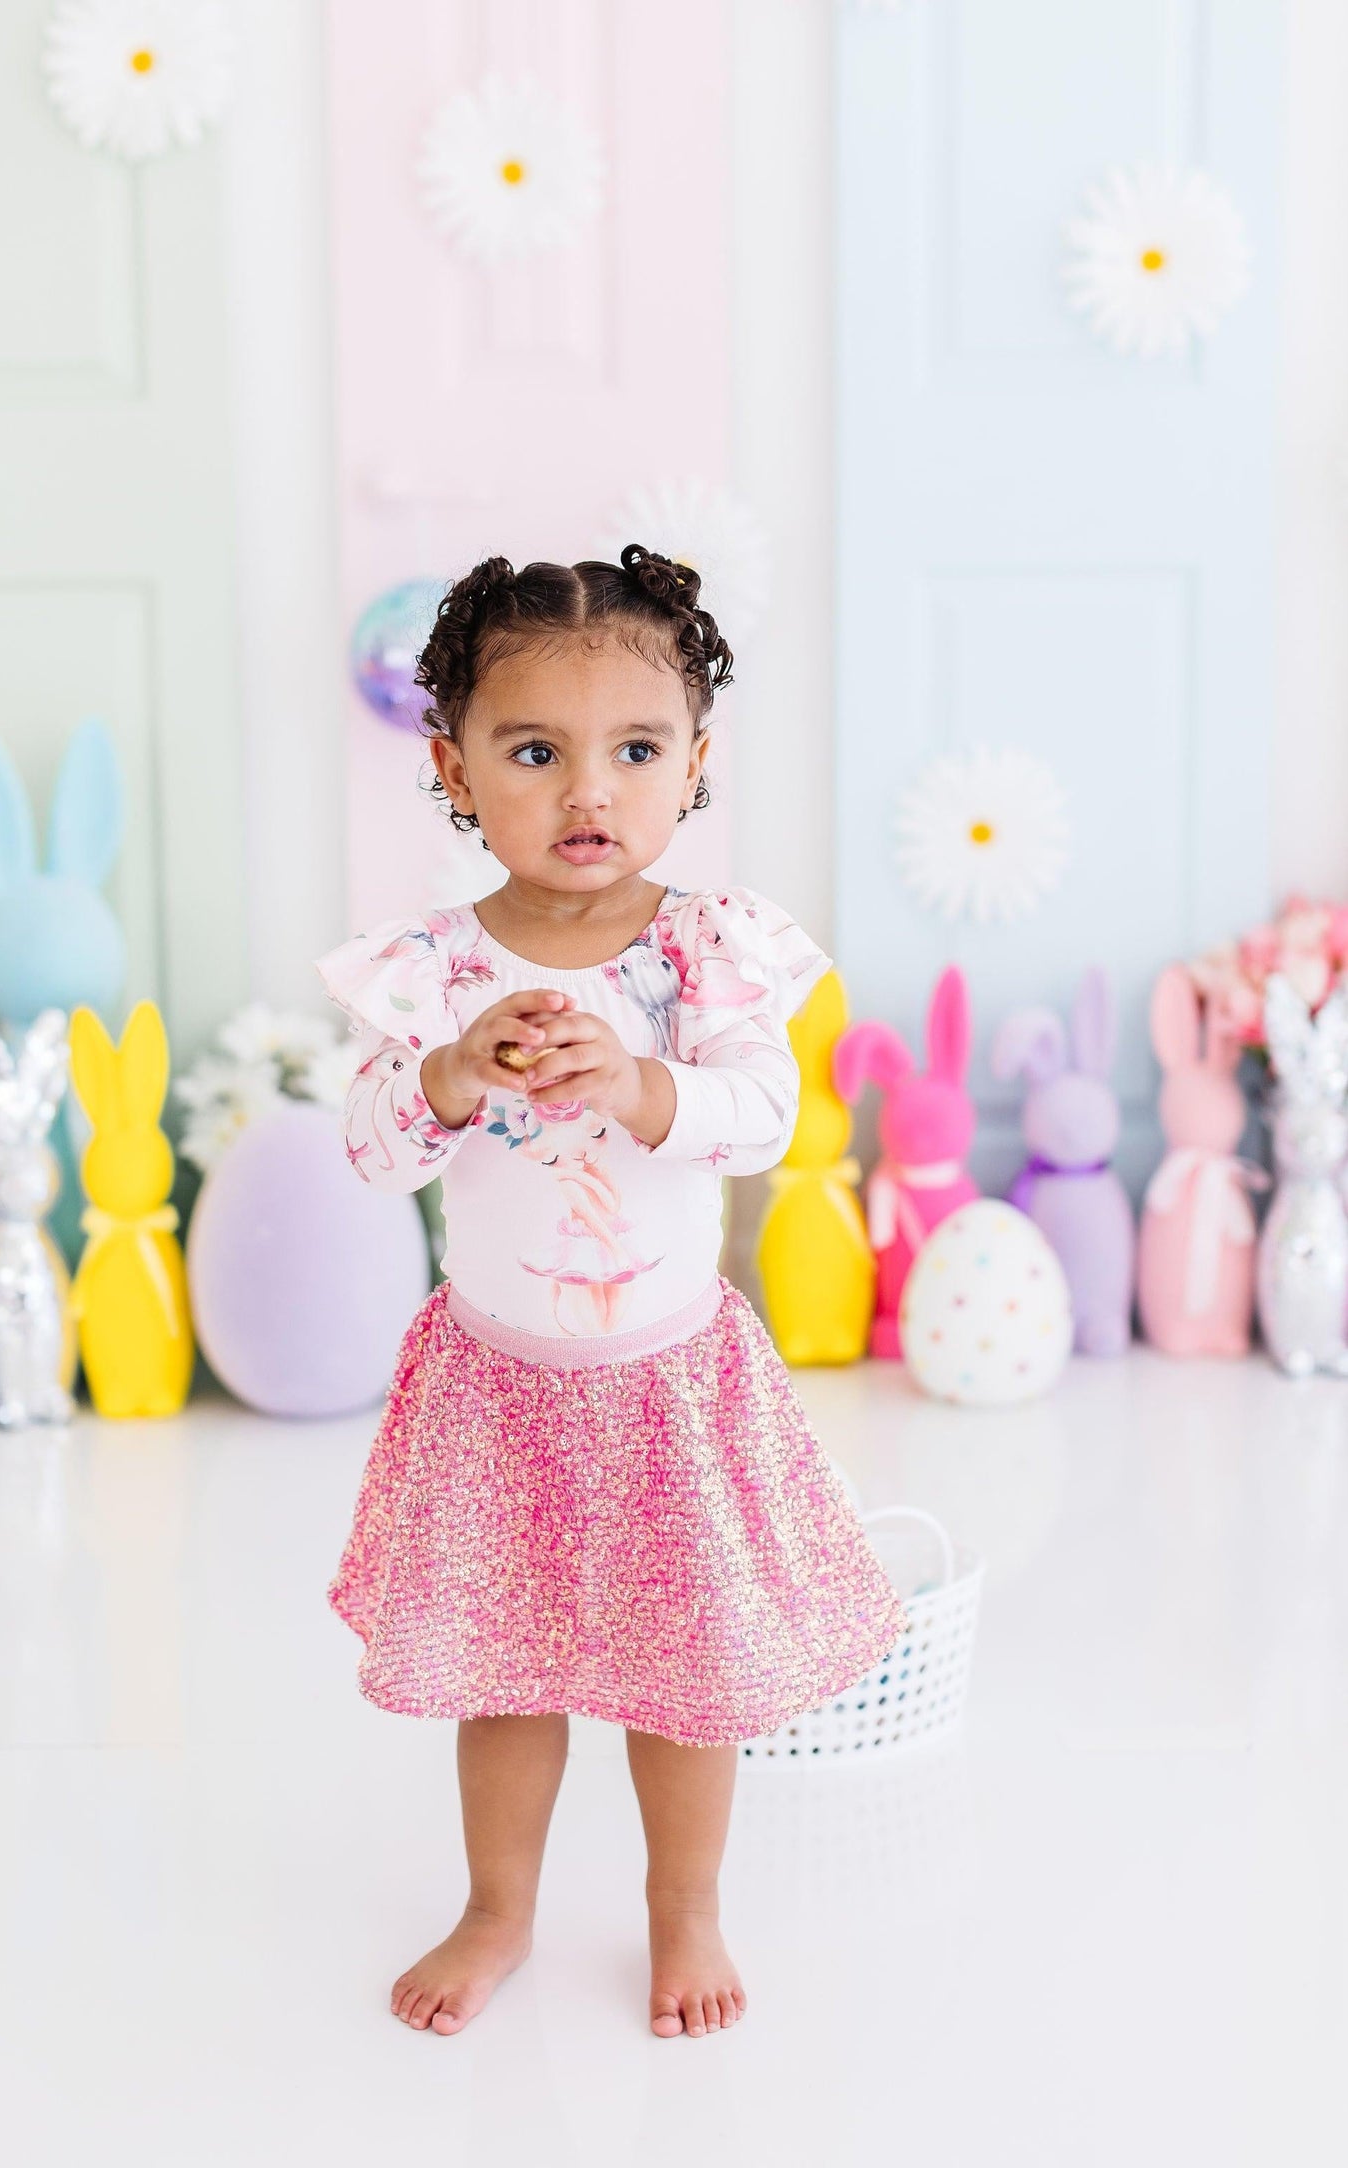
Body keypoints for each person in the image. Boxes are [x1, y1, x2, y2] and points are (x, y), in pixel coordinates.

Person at [314, 547, 907, 2042]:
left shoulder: (705, 951)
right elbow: (375, 1155)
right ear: (452, 769)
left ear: (693, 763)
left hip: (660, 1383)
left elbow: (764, 1117)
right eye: (534, 752)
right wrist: (448, 1072)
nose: (589, 793)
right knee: (503, 1678)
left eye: (634, 752)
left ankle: (681, 1907)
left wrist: (644, 1082)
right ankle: (496, 1908)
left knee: (678, 1673)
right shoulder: (437, 971)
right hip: (500, 1387)